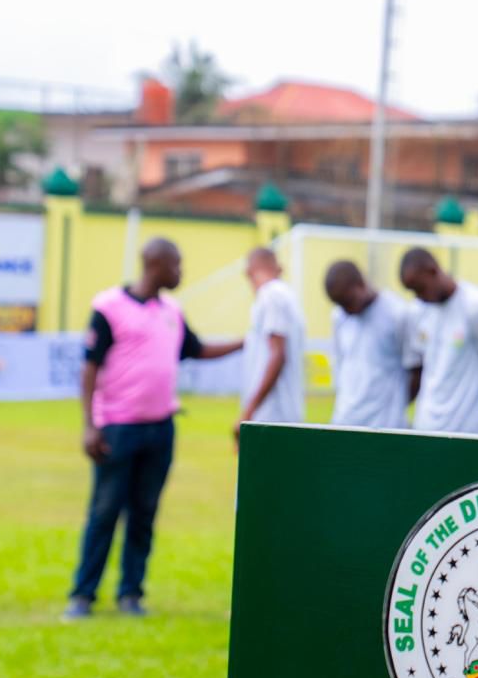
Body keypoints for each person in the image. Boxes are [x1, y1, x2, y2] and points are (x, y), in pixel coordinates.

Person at [65, 238, 242, 619]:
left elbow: (196, 350)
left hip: (160, 430)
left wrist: (245, 343)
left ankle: (131, 594)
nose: (180, 272)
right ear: (155, 264)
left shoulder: (171, 311)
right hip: (118, 429)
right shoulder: (109, 307)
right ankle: (82, 596)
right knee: (105, 512)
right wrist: (89, 425)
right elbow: (90, 367)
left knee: (144, 514)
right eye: (176, 265)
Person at [399, 247, 478, 434]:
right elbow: (421, 371)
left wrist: (475, 408)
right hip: (426, 427)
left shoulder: (476, 305)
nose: (419, 297)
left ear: (433, 271)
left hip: (469, 432)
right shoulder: (417, 311)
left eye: (420, 289)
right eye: (413, 292)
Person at [326, 259, 413, 429]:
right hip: (344, 421)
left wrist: (394, 406)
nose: (346, 310)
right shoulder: (338, 316)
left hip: (386, 427)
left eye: (348, 302)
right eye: (340, 304)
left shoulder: (397, 313)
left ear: (361, 284)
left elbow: (416, 370)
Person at [237, 247, 306, 442]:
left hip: (272, 415)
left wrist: (248, 411)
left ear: (249, 272)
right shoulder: (287, 296)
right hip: (283, 413)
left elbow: (277, 355)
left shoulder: (271, 295)